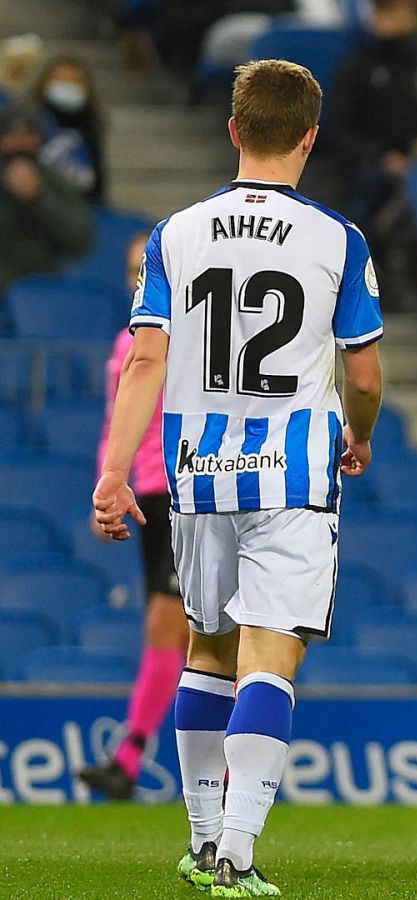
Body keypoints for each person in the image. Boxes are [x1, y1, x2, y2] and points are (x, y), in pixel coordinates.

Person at [91, 59, 384, 897]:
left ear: (233, 131)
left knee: (207, 651)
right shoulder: (338, 238)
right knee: (269, 660)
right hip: (292, 478)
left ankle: (199, 839)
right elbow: (361, 377)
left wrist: (116, 474)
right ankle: (239, 853)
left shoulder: (175, 234)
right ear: (310, 137)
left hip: (197, 476)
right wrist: (357, 438)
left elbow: (146, 359)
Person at [75, 231, 188, 803]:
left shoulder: (193, 340)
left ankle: (136, 758)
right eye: (132, 268)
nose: (138, 278)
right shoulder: (128, 345)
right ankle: (136, 760)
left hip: (188, 492)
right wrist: (107, 487)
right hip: (148, 497)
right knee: (174, 630)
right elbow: (111, 425)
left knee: (184, 628)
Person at [321, 0, 417, 222]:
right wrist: (382, 156)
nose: (397, 21)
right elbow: (338, 132)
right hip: (369, 162)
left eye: (404, 13)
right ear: (374, 18)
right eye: (388, 14)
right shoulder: (356, 67)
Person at [0, 107, 93, 293]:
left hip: (44, 290)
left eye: (27, 138)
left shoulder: (56, 183)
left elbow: (81, 241)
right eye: (11, 139)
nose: (19, 146)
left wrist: (38, 198)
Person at [30, 55, 106, 202]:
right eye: (60, 80)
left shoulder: (90, 123)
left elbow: (97, 180)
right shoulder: (30, 119)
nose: (66, 87)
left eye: (74, 82)